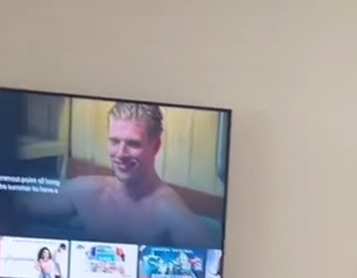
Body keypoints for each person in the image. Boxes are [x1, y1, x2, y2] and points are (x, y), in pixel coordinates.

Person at [18, 102, 217, 249]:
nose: (120, 153)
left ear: (155, 147)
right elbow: (23, 205)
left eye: (133, 144)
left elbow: (211, 271)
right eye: (114, 141)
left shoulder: (169, 213)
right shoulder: (91, 192)